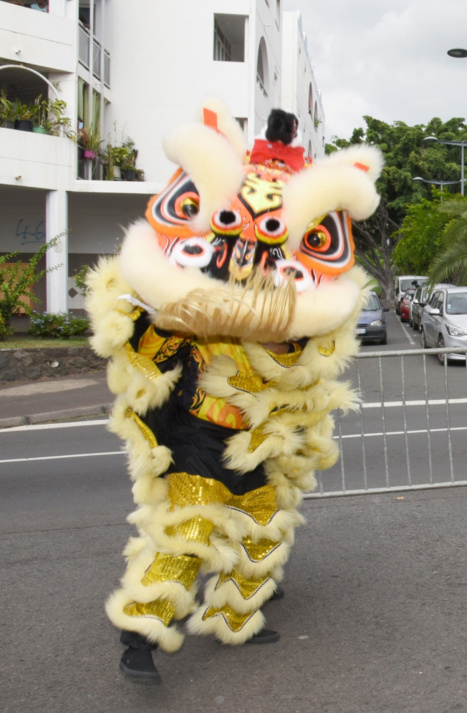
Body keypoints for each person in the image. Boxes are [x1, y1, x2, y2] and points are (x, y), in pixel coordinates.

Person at [88, 100, 382, 683]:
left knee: (264, 528)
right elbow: (148, 352)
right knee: (190, 530)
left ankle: (234, 615)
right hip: (198, 438)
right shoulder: (190, 318)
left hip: (253, 444)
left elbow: (300, 360)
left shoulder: (276, 322)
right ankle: (138, 634)